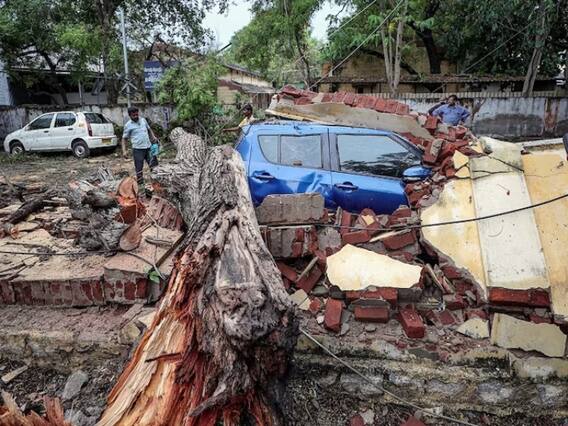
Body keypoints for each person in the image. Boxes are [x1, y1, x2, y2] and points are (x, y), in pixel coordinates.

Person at [121, 107, 159, 192]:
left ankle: (157, 182)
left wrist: (153, 137)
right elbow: (124, 139)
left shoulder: (143, 120)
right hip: (138, 150)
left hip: (148, 148)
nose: (136, 116)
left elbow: (149, 130)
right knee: (139, 169)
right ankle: (140, 187)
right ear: (130, 115)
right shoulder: (128, 125)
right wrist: (124, 151)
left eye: (136, 114)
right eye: (133, 115)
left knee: (154, 165)